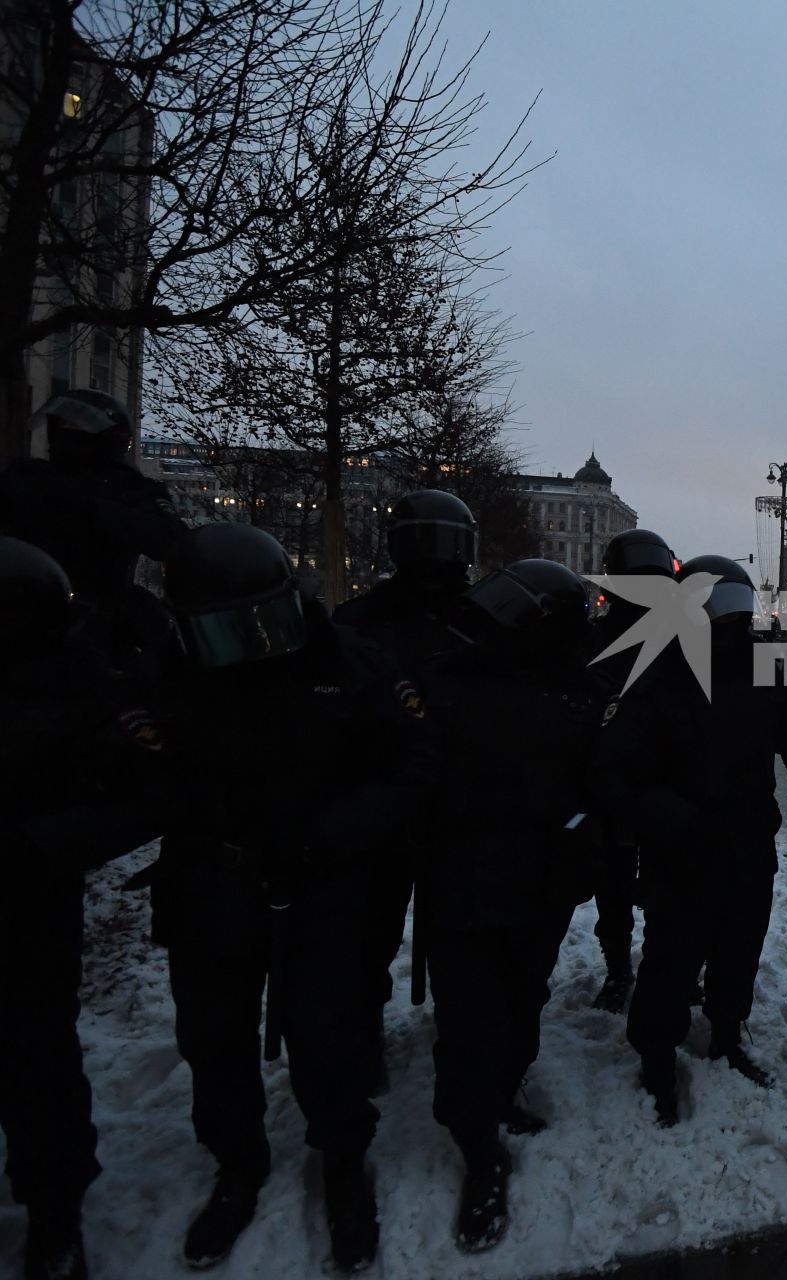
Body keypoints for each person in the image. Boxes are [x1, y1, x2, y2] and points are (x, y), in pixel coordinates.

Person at [148, 523, 435, 1271]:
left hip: (320, 883)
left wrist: (343, 829)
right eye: (224, 631)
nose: (248, 643)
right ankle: (236, 1163)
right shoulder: (174, 670)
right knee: (213, 1038)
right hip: (214, 881)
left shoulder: (350, 663)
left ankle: (343, 1161)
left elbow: (412, 767)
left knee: (329, 1035)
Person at [416, 558, 610, 1251]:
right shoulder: (446, 682)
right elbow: (412, 777)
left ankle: (499, 1093)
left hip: (538, 886)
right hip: (463, 882)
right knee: (467, 1016)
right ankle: (478, 1147)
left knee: (521, 1000)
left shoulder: (583, 695)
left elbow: (601, 790)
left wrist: (577, 848)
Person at [0, 538, 163, 1280]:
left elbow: (141, 788)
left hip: (28, 900)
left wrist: (48, 844)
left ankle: (55, 1214)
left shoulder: (77, 676)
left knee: (38, 1059)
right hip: (35, 886)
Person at [593, 555, 787, 1127]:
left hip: (748, 846)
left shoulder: (764, 672)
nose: (731, 625)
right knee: (672, 958)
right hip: (682, 853)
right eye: (719, 610)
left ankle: (728, 1034)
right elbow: (615, 773)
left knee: (740, 949)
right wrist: (675, 820)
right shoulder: (656, 676)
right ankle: (656, 1054)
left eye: (737, 610)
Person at [331, 490, 480, 1072]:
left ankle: (365, 1042)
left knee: (376, 936)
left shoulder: (360, 618)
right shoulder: (478, 617)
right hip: (434, 803)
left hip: (390, 801)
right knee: (441, 937)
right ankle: (454, 1042)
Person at [0, 390, 185, 676]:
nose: (67, 434)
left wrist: (93, 508)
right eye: (62, 427)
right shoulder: (30, 478)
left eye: (79, 428)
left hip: (102, 619)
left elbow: (170, 541)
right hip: (21, 612)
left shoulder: (133, 490)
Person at [583, 527, 680, 1013]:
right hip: (624, 787)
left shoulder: (676, 638)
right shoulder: (597, 638)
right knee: (618, 888)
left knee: (643, 888)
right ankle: (622, 967)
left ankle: (649, 967)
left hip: (652, 785)